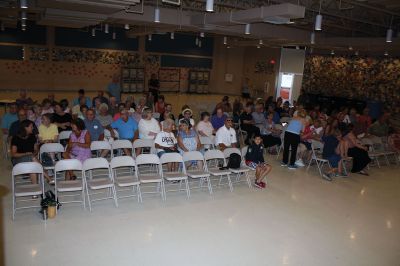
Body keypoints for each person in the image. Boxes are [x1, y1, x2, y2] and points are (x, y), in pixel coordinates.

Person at [10, 120, 51, 184]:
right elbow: (13, 154)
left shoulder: (32, 136)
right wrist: (26, 154)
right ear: (25, 128)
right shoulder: (15, 138)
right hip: (17, 160)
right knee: (32, 158)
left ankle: (35, 189)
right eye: (31, 127)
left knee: (33, 165)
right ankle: (48, 178)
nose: (33, 128)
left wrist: (33, 153)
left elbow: (36, 150)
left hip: (31, 159)